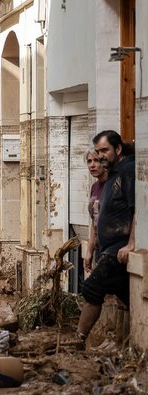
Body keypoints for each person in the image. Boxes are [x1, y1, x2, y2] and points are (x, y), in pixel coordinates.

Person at [75, 130, 135, 344]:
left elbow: (137, 209)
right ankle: (125, 343)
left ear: (117, 149)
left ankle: (79, 339)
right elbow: (96, 220)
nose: (99, 158)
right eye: (96, 153)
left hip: (118, 249)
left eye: (103, 151)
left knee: (92, 288)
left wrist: (131, 243)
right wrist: (91, 248)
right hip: (108, 248)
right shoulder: (113, 175)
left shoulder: (127, 171)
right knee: (127, 297)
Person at [84, 148, 108, 273]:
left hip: (112, 249)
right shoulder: (94, 187)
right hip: (99, 249)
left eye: (96, 161)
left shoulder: (114, 184)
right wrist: (89, 251)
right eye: (89, 161)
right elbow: (94, 223)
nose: (92, 165)